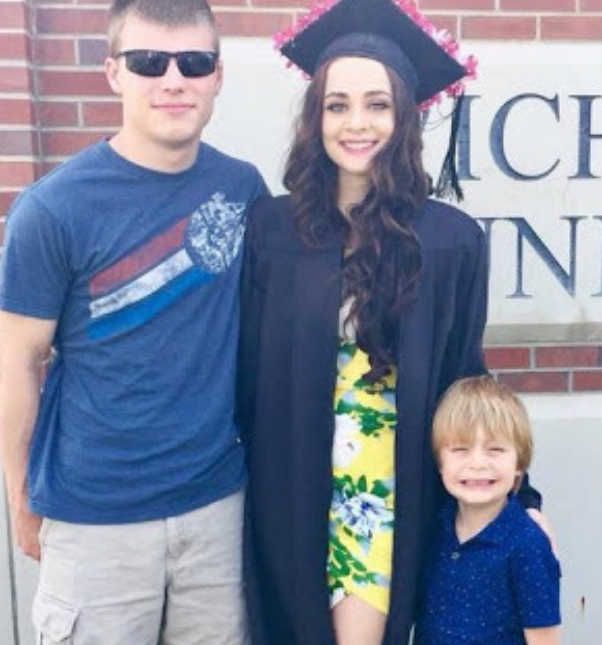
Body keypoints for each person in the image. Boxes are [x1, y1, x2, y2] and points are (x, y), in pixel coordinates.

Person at [237, 0, 549, 643]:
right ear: (315, 116)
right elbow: (242, 372)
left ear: (405, 117)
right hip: (284, 488)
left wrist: (521, 495)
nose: (357, 123)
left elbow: (466, 373)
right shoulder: (271, 230)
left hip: (380, 494)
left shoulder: (451, 241)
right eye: (338, 104)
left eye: (377, 105)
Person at [0, 1, 266, 643]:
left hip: (216, 512)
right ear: (113, 72)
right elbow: (16, 361)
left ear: (217, 75)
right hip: (96, 520)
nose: (173, 80)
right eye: (149, 62)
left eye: (194, 62)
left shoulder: (243, 190)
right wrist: (19, 497)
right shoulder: (53, 210)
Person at [415, 375, 561, 645]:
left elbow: (544, 639)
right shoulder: (434, 529)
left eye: (495, 449)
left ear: (520, 463)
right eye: (460, 449)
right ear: (439, 463)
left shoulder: (527, 544)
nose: (478, 463)